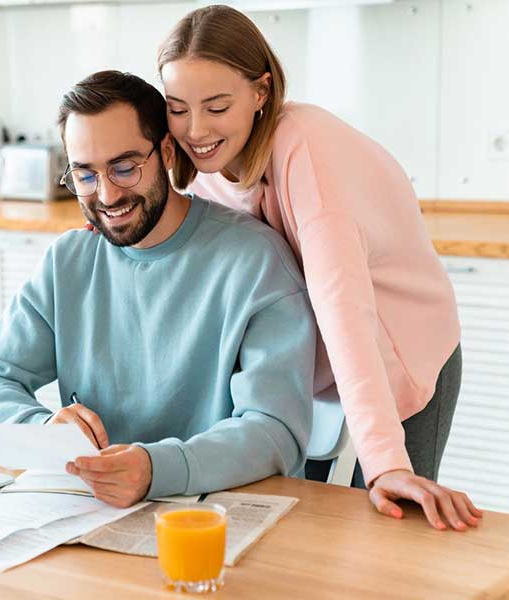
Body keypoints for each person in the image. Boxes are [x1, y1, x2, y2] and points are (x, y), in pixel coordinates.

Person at [151, 4, 482, 530]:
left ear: (260, 92)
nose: (196, 129)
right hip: (311, 369)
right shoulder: (204, 172)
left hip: (395, 351)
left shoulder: (308, 151)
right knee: (314, 536)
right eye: (178, 107)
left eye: (216, 106)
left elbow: (342, 306)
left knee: (388, 530)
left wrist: (385, 461)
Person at [0, 70, 318, 508]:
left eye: (125, 168)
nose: (107, 195)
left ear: (166, 151)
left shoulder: (255, 261)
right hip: (91, 511)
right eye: (85, 175)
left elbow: (276, 431)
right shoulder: (68, 261)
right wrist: (42, 430)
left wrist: (157, 469)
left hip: (216, 513)